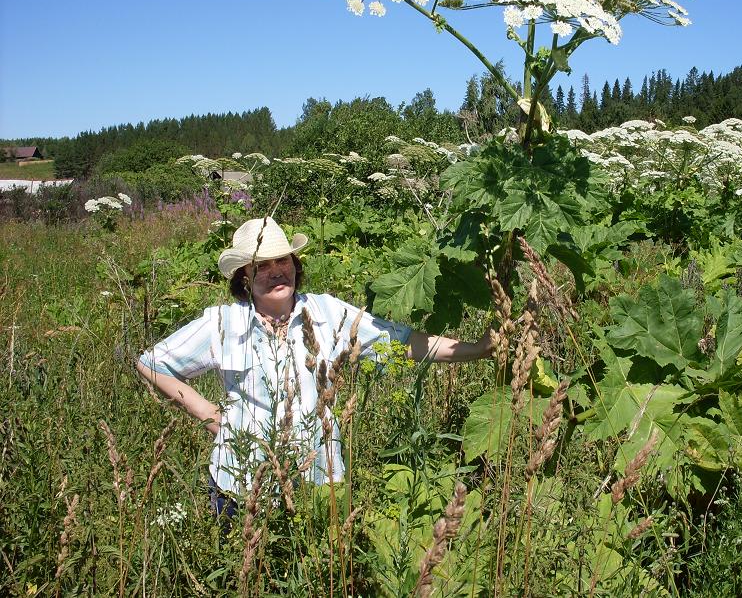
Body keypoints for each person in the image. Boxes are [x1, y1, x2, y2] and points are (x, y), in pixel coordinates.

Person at [137, 216, 491, 518]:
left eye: (284, 261)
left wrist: (476, 349)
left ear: (296, 265)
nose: (277, 272)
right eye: (262, 265)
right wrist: (210, 415)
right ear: (243, 276)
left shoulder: (327, 313)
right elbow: (152, 363)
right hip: (242, 487)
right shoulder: (222, 323)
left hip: (317, 483)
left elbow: (401, 342)